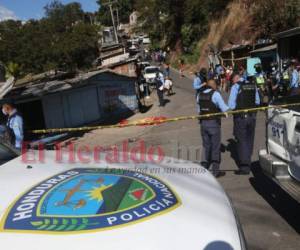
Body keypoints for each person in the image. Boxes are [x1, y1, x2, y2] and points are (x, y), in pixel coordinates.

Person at [228, 73, 260, 175]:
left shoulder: (235, 87)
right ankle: (248, 159)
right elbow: (257, 101)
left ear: (234, 79)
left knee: (242, 141)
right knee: (249, 140)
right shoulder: (252, 85)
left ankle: (245, 167)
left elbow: (231, 105)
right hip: (252, 117)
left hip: (241, 118)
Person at [197, 79, 229, 178]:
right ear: (214, 85)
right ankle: (215, 171)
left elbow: (198, 111)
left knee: (206, 146)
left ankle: (205, 167)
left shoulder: (199, 95)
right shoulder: (216, 94)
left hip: (203, 124)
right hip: (213, 124)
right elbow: (225, 109)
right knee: (215, 147)